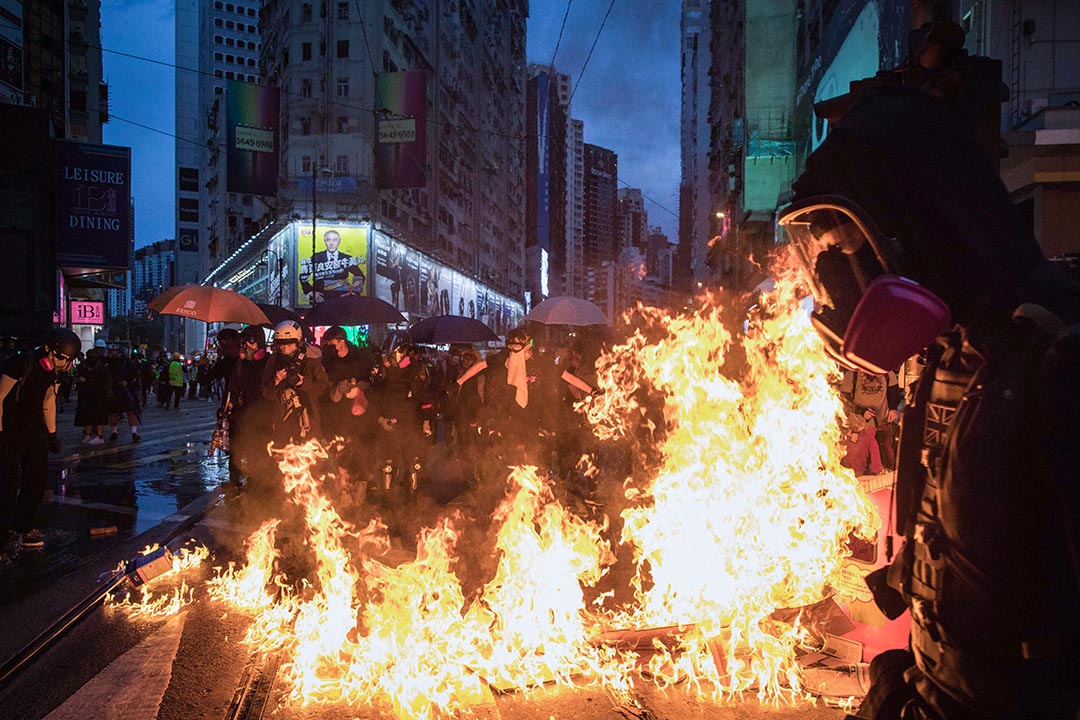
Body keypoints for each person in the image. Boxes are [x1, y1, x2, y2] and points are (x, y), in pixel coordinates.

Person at [777, 77, 1080, 718]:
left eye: (846, 250)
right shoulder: (950, 365)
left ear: (917, 225)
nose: (838, 281)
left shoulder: (1053, 371)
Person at [0, 328, 81, 559]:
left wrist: (52, 434)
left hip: (34, 426)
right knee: (7, 483)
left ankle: (21, 528)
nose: (65, 364)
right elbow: (0, 396)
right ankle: (2, 537)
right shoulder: (21, 363)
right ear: (49, 349)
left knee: (37, 478)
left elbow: (49, 399)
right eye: (62, 358)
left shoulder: (56, 372)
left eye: (70, 360)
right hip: (9, 426)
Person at [261, 320, 329, 445]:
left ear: (297, 342)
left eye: (289, 344)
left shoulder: (311, 359)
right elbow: (266, 393)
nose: (285, 348)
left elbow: (322, 387)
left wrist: (303, 383)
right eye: (281, 344)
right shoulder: (273, 361)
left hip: (309, 420)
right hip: (282, 423)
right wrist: (276, 381)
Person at [224, 326, 274, 491]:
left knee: (260, 450)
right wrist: (227, 406)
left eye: (249, 341)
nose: (245, 345)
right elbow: (232, 388)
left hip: (264, 416)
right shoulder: (240, 365)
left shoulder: (270, 363)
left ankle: (259, 484)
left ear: (258, 343)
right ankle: (235, 481)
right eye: (243, 341)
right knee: (237, 448)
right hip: (242, 415)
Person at [838, 369, 901, 474]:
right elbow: (844, 400)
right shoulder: (852, 375)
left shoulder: (888, 374)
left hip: (881, 428)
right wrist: (861, 412)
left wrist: (893, 408)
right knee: (854, 471)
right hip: (858, 430)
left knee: (885, 468)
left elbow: (894, 394)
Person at [300, 229, 365, 304]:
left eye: (335, 240)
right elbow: (303, 276)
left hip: (342, 300)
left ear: (339, 241)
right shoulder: (316, 257)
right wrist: (311, 292)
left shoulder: (346, 258)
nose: (331, 243)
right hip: (320, 300)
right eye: (328, 240)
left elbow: (360, 275)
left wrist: (354, 293)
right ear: (324, 241)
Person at [105, 344, 143, 442]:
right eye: (111, 351)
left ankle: (134, 432)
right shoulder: (107, 362)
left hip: (127, 389)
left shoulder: (126, 361)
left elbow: (134, 373)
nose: (112, 353)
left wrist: (127, 381)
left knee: (131, 411)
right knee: (113, 412)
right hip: (114, 390)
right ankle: (114, 432)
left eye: (114, 351)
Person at [74, 346, 108, 444]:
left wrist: (86, 380)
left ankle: (99, 436)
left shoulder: (101, 368)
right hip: (85, 394)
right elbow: (77, 376)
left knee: (99, 416)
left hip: (98, 394)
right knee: (86, 416)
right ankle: (88, 435)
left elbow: (103, 381)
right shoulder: (83, 366)